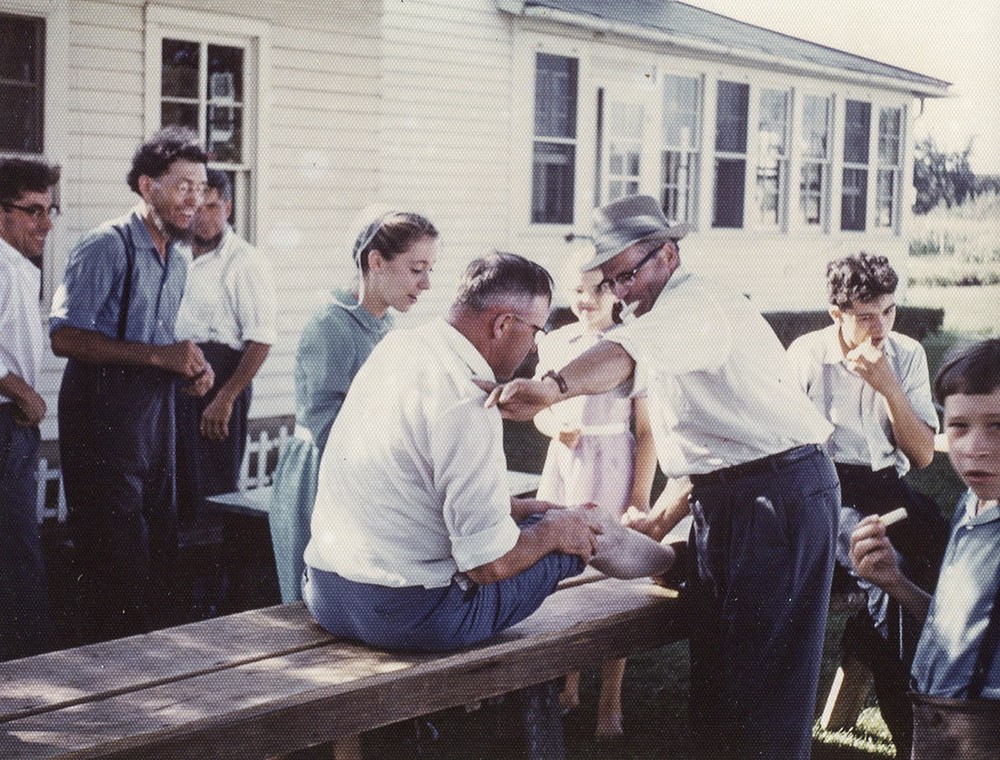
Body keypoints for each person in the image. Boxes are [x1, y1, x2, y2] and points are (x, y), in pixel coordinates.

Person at [484, 195, 840, 759]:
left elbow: (624, 355)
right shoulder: (658, 314)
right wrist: (662, 517)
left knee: (763, 691)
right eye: (611, 280)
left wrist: (551, 389)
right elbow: (710, 446)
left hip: (777, 498)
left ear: (668, 254)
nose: (621, 292)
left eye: (627, 274)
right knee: (719, 685)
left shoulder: (694, 306)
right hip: (731, 498)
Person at [302, 251, 674, 652]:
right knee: (578, 528)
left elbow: (406, 482)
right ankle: (673, 566)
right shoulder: (469, 397)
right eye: (535, 330)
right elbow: (489, 565)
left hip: (325, 590)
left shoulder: (399, 347)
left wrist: (509, 508)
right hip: (406, 612)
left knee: (547, 519)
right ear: (502, 325)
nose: (534, 349)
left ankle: (666, 561)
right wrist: (554, 531)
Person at [49, 126, 214, 643]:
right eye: (183, 185)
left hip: (153, 418)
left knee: (160, 548)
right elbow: (66, 337)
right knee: (116, 563)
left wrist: (192, 368)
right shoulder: (106, 246)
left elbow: (158, 339)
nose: (196, 198)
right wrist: (157, 356)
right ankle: (108, 700)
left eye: (202, 186)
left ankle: (161, 687)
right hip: (100, 418)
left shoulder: (178, 256)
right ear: (147, 186)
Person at [787, 252, 948, 756]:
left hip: (889, 483)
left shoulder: (905, 355)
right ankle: (912, 734)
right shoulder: (808, 356)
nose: (880, 327)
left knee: (955, 556)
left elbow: (922, 455)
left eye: (888, 312)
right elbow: (789, 449)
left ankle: (964, 695)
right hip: (828, 488)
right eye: (865, 316)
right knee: (885, 570)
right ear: (837, 314)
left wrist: (888, 387)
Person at [268, 209, 439, 603]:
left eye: (429, 269)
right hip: (322, 475)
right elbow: (325, 421)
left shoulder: (382, 323)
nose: (427, 283)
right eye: (417, 269)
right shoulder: (331, 325)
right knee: (312, 601)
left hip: (363, 475)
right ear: (376, 261)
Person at [850, 338, 1000, 759]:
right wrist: (893, 582)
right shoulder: (970, 506)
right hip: (938, 720)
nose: (975, 446)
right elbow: (952, 624)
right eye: (959, 427)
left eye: (997, 425)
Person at [533, 250, 656, 739]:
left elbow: (647, 431)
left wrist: (640, 495)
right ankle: (568, 681)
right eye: (579, 289)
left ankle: (611, 694)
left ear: (618, 291)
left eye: (599, 288)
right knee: (563, 567)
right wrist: (551, 425)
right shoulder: (558, 342)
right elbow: (541, 408)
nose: (587, 299)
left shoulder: (631, 346)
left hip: (611, 462)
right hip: (566, 465)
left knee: (609, 576)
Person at [174, 169, 276, 524]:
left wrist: (226, 397)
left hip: (220, 385)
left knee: (212, 493)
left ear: (228, 207)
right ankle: (178, 577)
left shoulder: (246, 262)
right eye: (197, 207)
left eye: (213, 206)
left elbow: (260, 339)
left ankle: (211, 578)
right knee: (173, 489)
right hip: (174, 376)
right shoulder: (174, 255)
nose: (203, 216)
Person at [0, 157, 60, 660]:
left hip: (14, 428)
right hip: (4, 422)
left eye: (50, 210)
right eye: (32, 211)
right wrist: (22, 391)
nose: (45, 223)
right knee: (17, 558)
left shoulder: (18, 266)